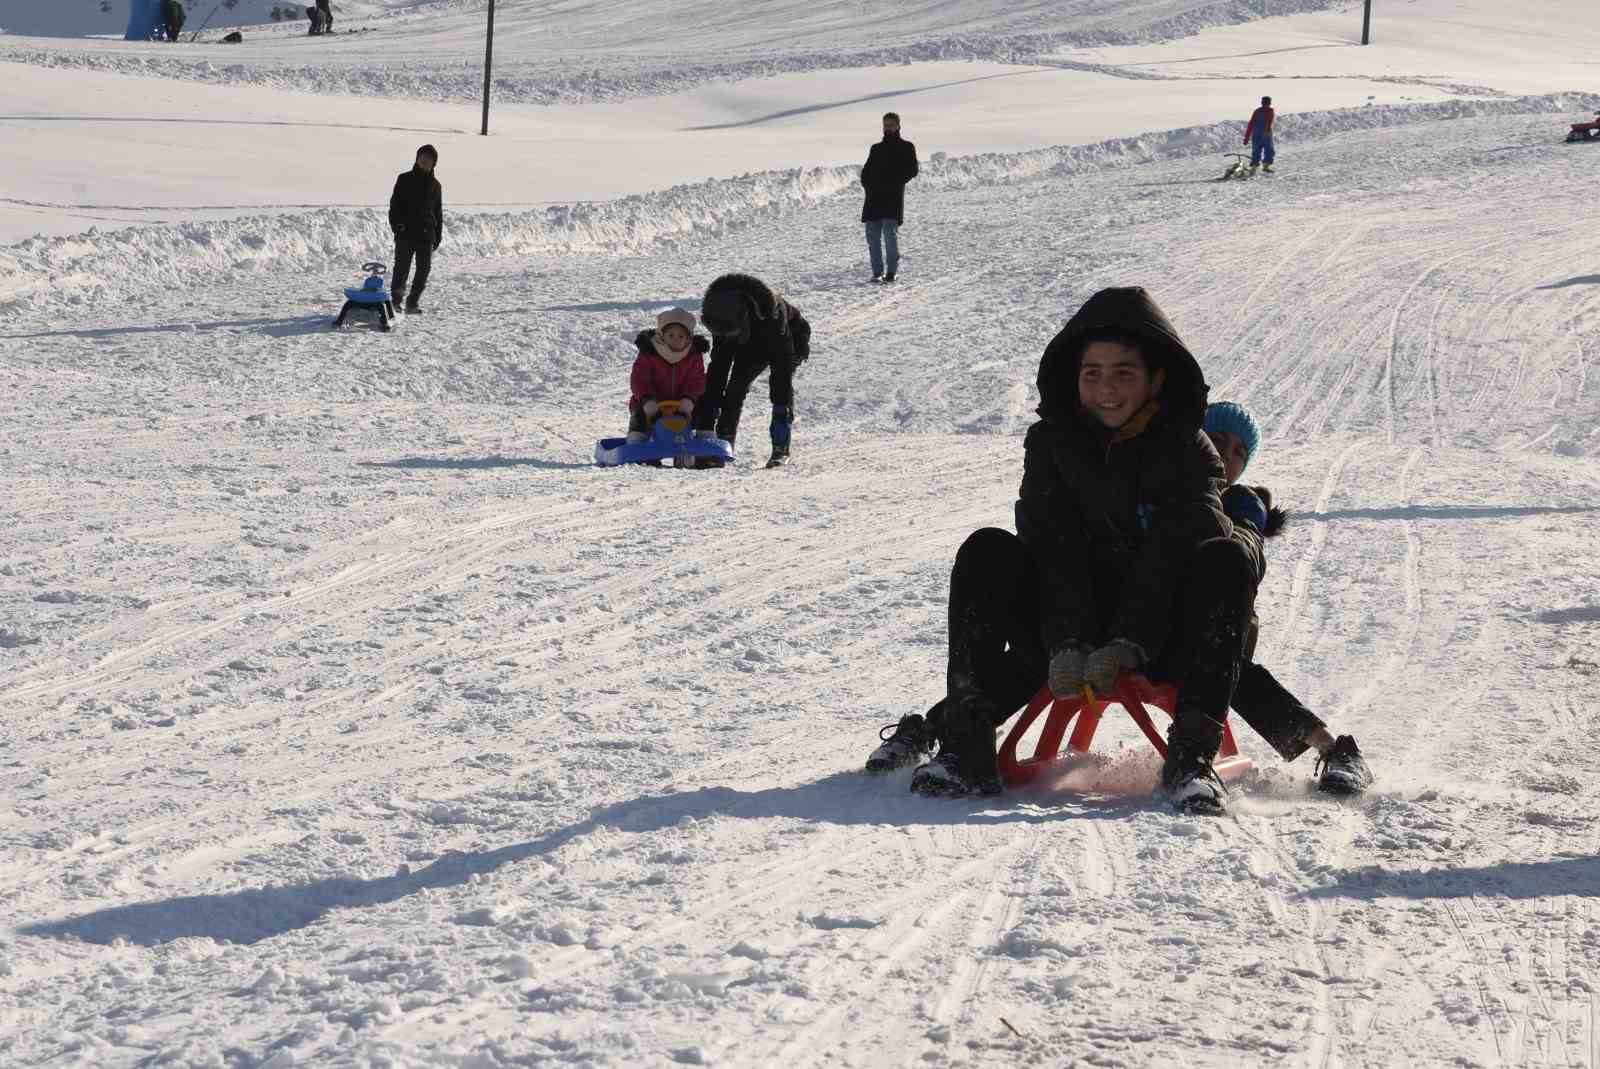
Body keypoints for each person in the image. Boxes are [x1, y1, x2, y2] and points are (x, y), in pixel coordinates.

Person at [872, 287, 1259, 813]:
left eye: (1124, 372)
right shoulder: (1051, 444)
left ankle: (1190, 761)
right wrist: (1067, 641)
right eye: (1092, 372)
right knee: (988, 550)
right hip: (1066, 634)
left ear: (1156, 379)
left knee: (1225, 558)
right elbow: (1053, 547)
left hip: (1166, 631)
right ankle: (967, 748)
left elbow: (1174, 553)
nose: (1106, 388)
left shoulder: (1189, 449)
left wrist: (1128, 643)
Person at [1201, 401, 1373, 794]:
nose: (1226, 456)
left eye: (1238, 453)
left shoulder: (1241, 503)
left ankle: (1336, 750)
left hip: (1213, 629)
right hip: (1139, 628)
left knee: (1233, 672)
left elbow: (1244, 545)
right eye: (1216, 441)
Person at [692, 274, 811, 468]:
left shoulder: (773, 317)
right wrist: (705, 422)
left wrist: (782, 399)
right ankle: (722, 445)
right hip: (744, 337)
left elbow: (781, 375)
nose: (722, 337)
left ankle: (781, 448)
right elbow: (717, 373)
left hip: (784, 340)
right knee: (730, 390)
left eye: (727, 334)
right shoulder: (721, 316)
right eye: (720, 335)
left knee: (777, 388)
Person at [626, 308, 708, 444]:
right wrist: (648, 401)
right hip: (652, 404)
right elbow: (639, 380)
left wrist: (689, 400)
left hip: (683, 405)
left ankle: (705, 441)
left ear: (688, 339)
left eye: (681, 336)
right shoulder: (649, 352)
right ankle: (637, 440)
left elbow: (696, 380)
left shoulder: (694, 355)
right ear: (661, 335)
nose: (675, 340)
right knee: (639, 413)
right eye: (671, 335)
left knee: (705, 406)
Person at [859, 112, 918, 283]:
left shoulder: (907, 147)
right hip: (873, 199)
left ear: (898, 126)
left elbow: (912, 169)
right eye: (885, 125)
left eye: (891, 125)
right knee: (872, 236)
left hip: (892, 198)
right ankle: (877, 272)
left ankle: (891, 272)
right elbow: (866, 171)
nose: (888, 128)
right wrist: (867, 185)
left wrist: (895, 181)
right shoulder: (876, 148)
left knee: (889, 235)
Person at [388, 145, 443, 315]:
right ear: (417, 158)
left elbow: (437, 212)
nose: (424, 160)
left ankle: (412, 302)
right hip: (405, 234)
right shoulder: (404, 179)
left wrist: (437, 236)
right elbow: (394, 205)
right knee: (401, 269)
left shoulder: (435, 185)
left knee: (423, 271)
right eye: (422, 156)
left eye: (429, 158)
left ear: (434, 163)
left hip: (426, 235)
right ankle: (396, 302)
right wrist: (397, 226)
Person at [1244, 95, 1276, 173]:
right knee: (1268, 150)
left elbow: (1251, 124)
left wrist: (1247, 137)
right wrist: (1267, 130)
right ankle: (1264, 166)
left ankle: (1255, 167)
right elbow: (1270, 121)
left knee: (1257, 150)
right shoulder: (1269, 110)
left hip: (1257, 134)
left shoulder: (1257, 111)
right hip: (1266, 134)